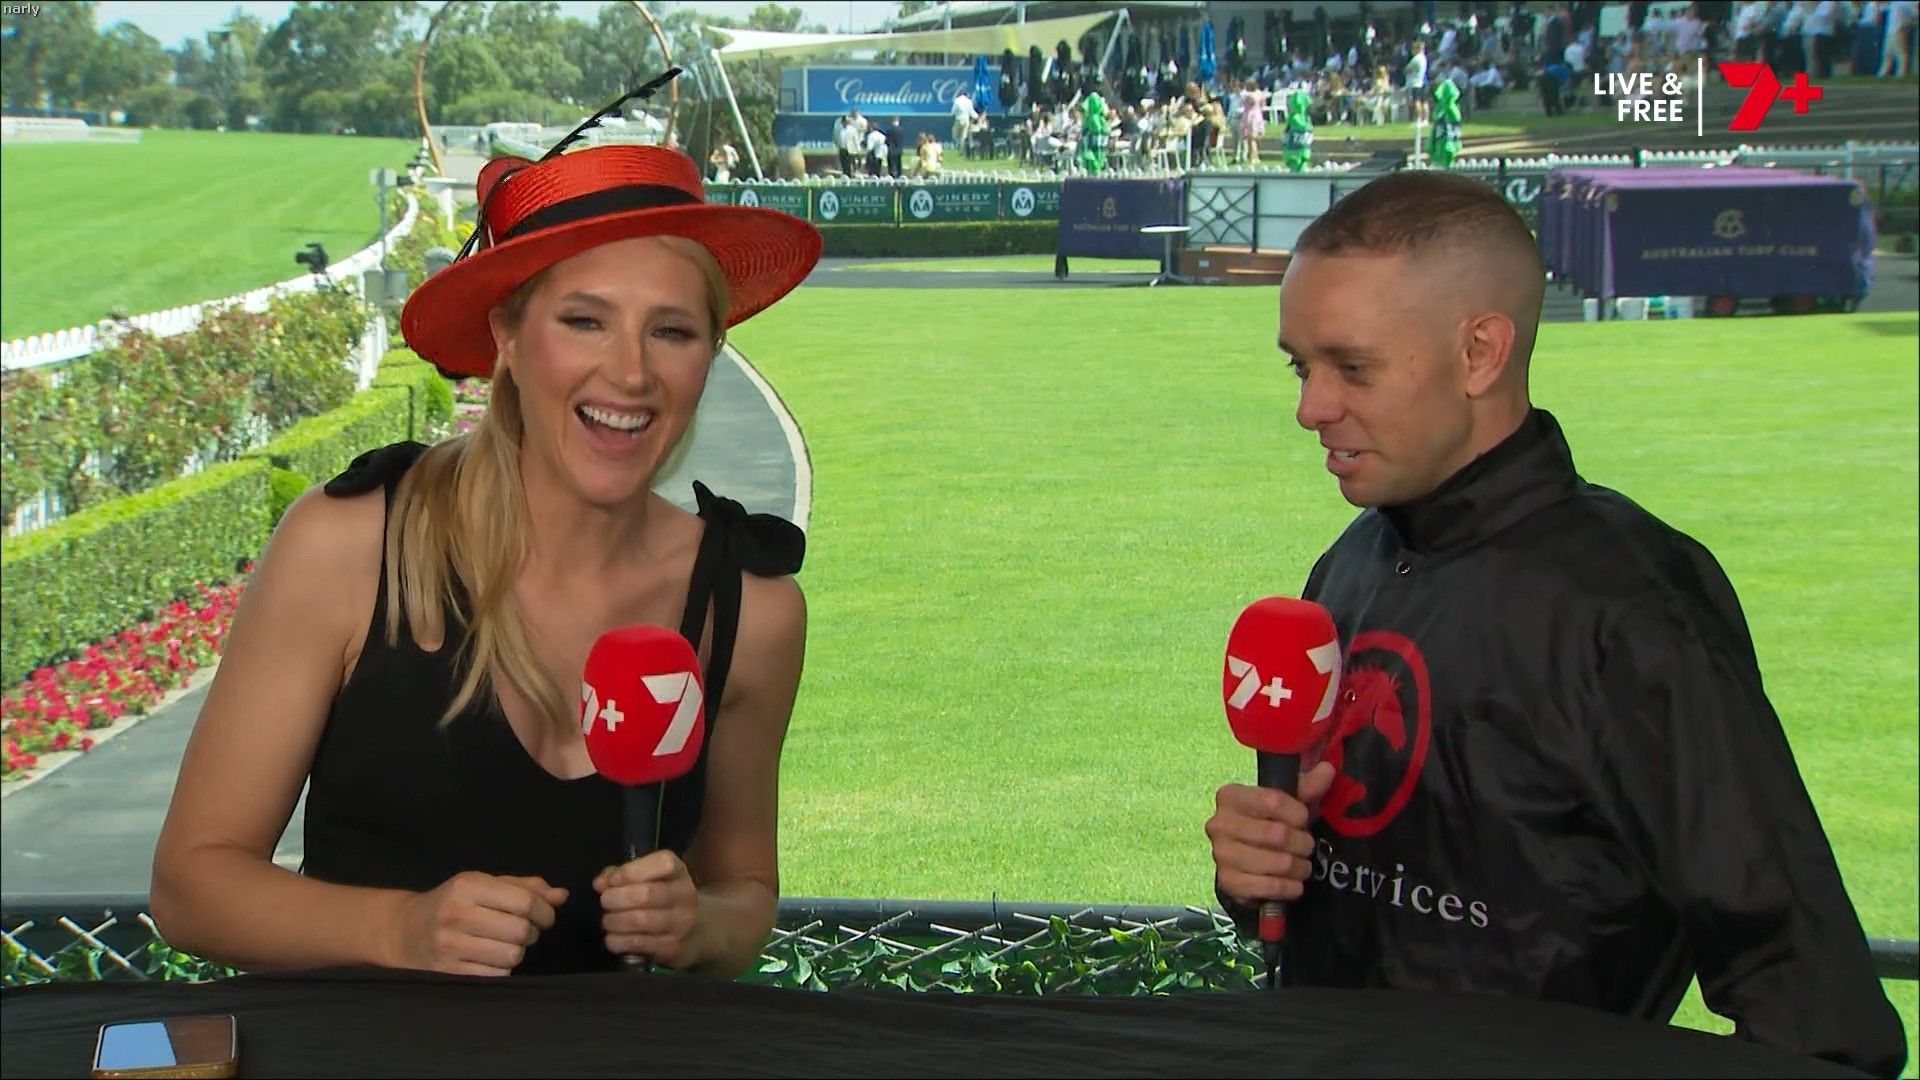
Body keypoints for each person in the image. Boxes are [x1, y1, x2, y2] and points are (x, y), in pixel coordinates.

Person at [1205, 171, 1907, 1078]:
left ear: (1480, 353)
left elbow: (1818, 1012)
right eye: (1301, 367)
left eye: (1353, 367)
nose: (1310, 408)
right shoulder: (1352, 564)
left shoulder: (1631, 608)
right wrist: (1263, 871)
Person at [151, 141, 824, 979]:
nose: (630, 372)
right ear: (508, 334)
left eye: (672, 332)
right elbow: (191, 886)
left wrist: (700, 927)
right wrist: (400, 930)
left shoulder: (752, 612)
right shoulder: (350, 548)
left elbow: (745, 891)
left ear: (709, 353)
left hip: (623, 1047)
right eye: (584, 321)